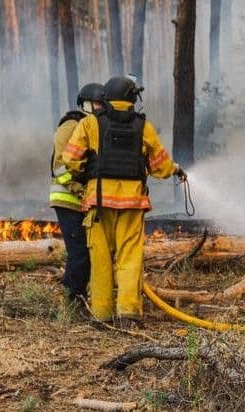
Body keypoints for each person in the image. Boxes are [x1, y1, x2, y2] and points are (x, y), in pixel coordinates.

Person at [61, 76, 186, 323]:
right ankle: (128, 312)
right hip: (132, 204)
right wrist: (176, 170)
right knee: (129, 258)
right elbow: (160, 166)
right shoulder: (143, 126)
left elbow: (70, 159)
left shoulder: (90, 124)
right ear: (131, 99)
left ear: (107, 98)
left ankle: (102, 314)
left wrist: (87, 171)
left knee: (100, 259)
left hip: (98, 204)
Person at [49, 82, 106, 310]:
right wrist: (80, 189)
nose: (101, 107)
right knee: (79, 253)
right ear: (86, 104)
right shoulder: (71, 125)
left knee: (87, 252)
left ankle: (80, 295)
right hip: (67, 199)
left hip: (84, 201)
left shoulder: (93, 126)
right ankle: (73, 300)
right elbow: (60, 168)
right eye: (98, 104)